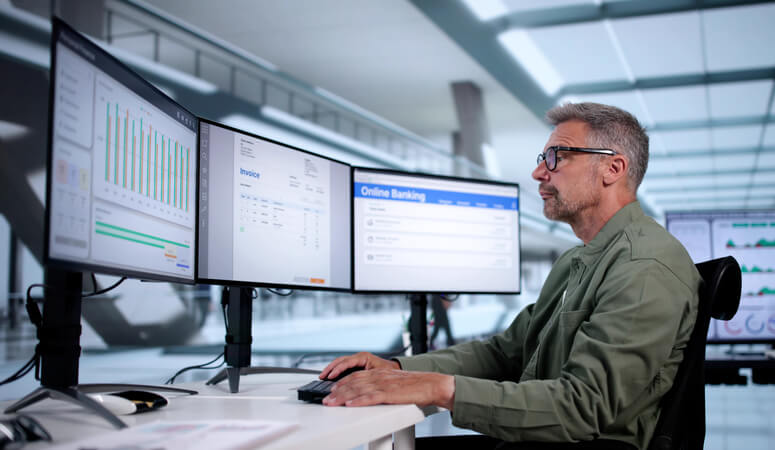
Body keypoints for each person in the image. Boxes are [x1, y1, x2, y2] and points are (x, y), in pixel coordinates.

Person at [319, 103, 701, 450]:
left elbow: (584, 406)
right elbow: (506, 351)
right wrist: (400, 369)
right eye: (542, 158)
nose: (539, 172)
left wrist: (438, 387)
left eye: (557, 157)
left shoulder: (645, 267)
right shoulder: (578, 260)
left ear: (612, 168)